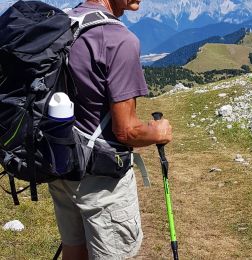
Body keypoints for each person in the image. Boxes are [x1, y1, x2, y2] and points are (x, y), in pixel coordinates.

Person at [48, 0, 173, 259]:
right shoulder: (119, 39)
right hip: (101, 179)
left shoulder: (62, 23)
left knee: (74, 249)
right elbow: (126, 132)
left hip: (60, 164)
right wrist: (158, 131)